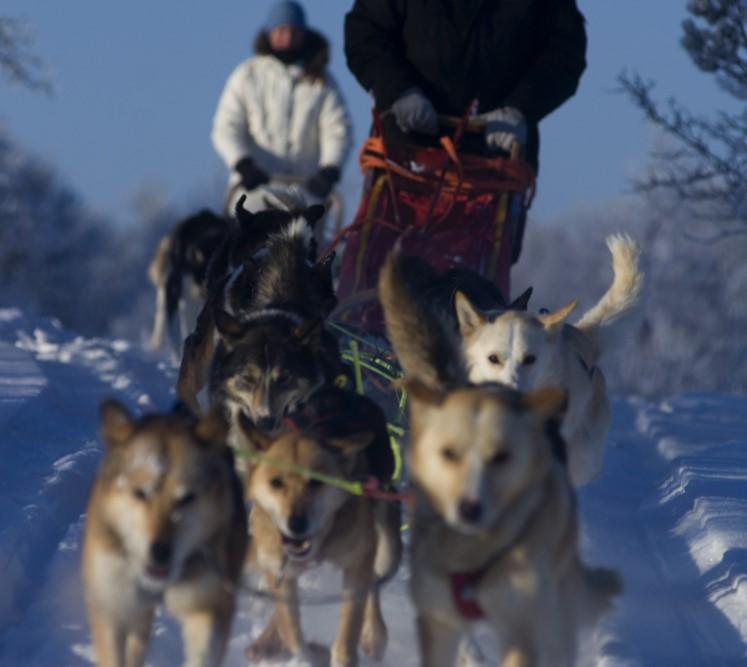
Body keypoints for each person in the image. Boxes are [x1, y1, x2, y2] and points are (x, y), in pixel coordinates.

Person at [344, 0, 587, 261]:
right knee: (371, 266)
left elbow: (565, 52)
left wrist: (520, 109)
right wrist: (398, 91)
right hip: (405, 160)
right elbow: (366, 32)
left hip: (494, 166)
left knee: (479, 280)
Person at [212, 1, 353, 215]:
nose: (287, 38)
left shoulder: (321, 81)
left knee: (311, 242)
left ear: (303, 34)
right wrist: (242, 164)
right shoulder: (247, 76)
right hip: (253, 192)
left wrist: (329, 170)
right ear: (269, 33)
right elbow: (226, 127)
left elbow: (337, 129)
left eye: (293, 32)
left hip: (305, 193)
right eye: (281, 31)